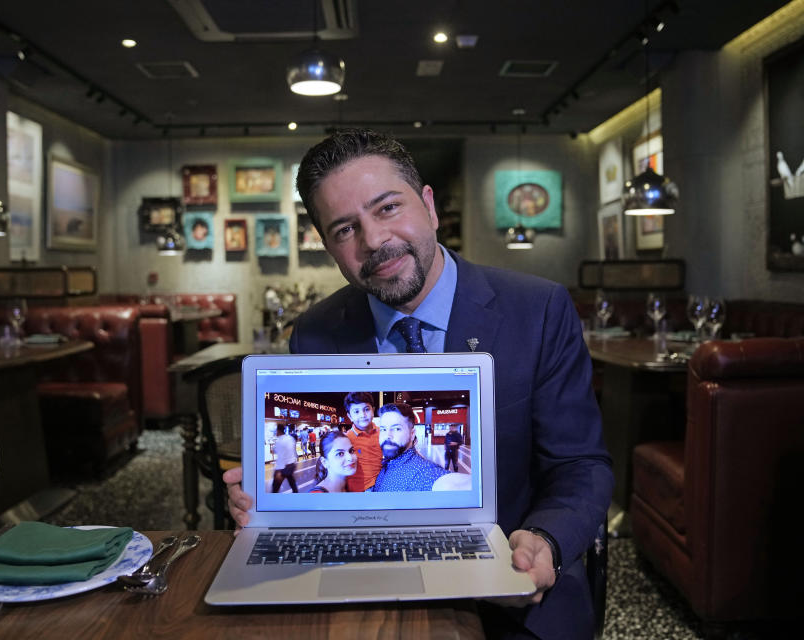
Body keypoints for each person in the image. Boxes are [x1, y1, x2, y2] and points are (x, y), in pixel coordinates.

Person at [225, 129, 613, 640]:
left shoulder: (537, 310)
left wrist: (543, 540)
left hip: (509, 589)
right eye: (345, 229)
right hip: (357, 587)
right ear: (326, 247)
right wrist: (269, 502)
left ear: (428, 205)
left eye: (387, 208)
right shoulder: (316, 330)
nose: (373, 241)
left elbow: (580, 464)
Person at [371, 402, 450, 491]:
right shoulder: (387, 464)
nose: (387, 435)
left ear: (412, 434)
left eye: (397, 429)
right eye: (383, 429)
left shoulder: (423, 473)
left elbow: (446, 483)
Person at [340, 391, 382, 491]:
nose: (363, 415)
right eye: (356, 412)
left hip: (381, 485)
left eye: (366, 409)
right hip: (358, 490)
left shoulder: (382, 433)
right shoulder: (346, 439)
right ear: (350, 416)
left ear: (373, 410)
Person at [270, 425, 298, 493]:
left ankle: (271, 501)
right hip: (292, 465)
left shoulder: (279, 441)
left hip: (284, 467)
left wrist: (279, 472)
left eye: (276, 431)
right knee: (292, 483)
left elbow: (280, 456)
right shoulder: (290, 438)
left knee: (275, 488)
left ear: (278, 431)